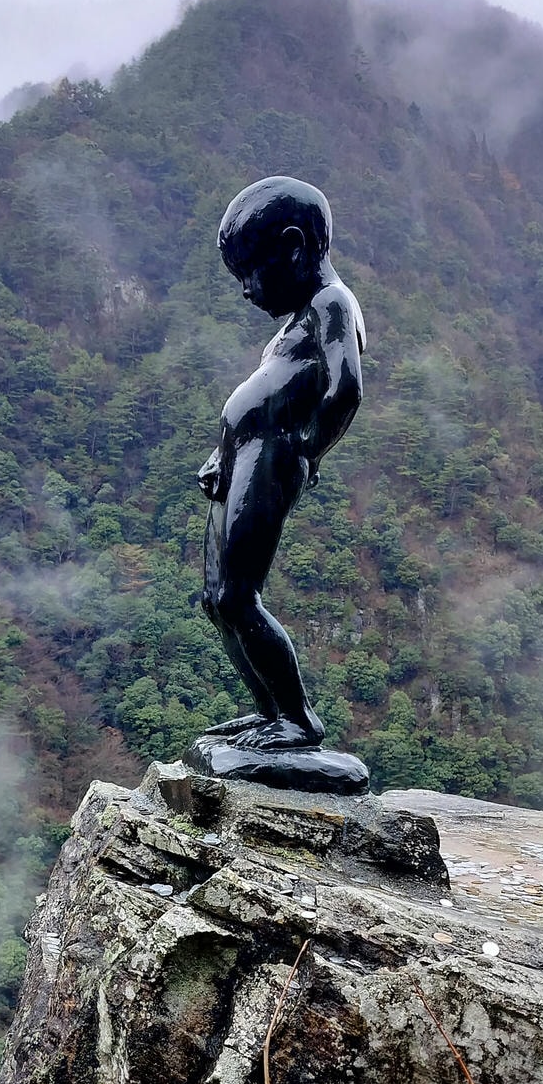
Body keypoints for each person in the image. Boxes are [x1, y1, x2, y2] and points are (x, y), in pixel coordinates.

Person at [196, 175, 366, 753]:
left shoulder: (331, 304)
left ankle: (297, 719)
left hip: (271, 459)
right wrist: (221, 454)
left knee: (240, 596)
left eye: (251, 272)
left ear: (294, 248)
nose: (246, 290)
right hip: (242, 460)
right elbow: (264, 395)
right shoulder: (292, 323)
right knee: (217, 598)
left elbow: (346, 389)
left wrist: (306, 448)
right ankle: (269, 712)